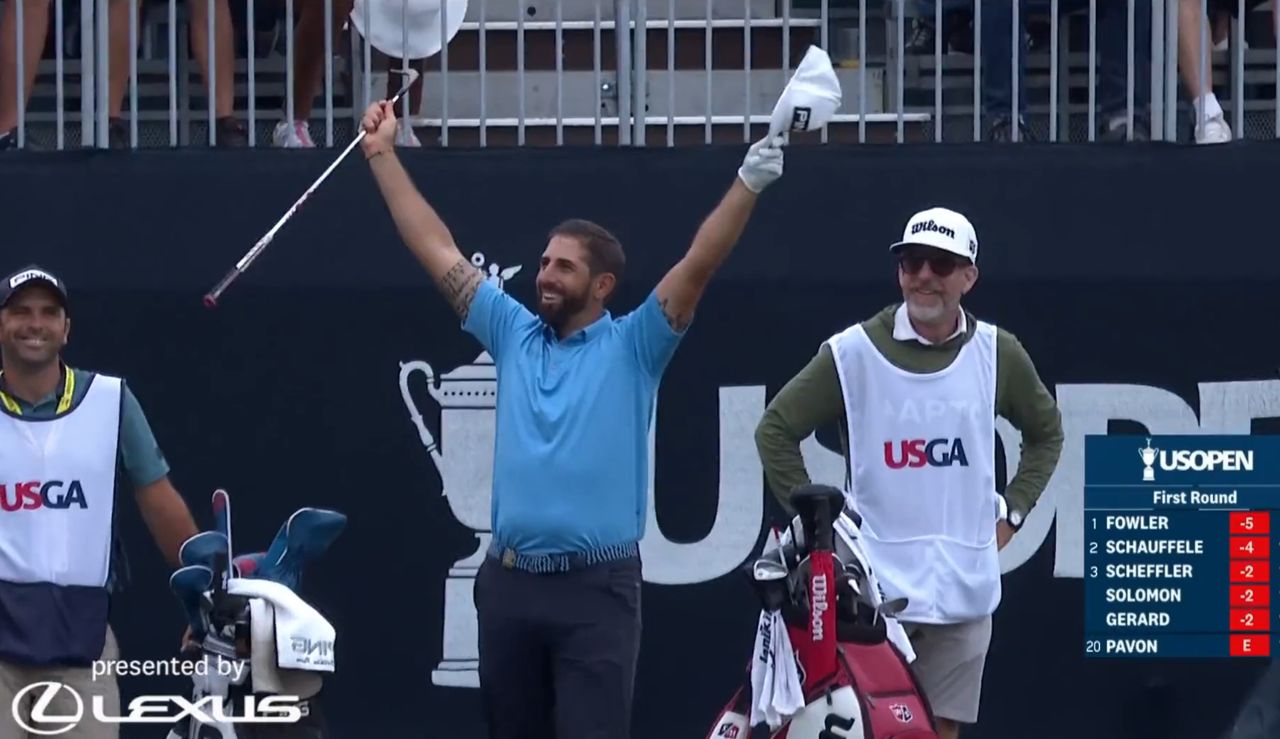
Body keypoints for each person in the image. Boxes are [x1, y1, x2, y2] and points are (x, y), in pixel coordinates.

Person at [358, 99, 784, 738]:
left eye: (564, 266)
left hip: (597, 593)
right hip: (508, 589)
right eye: (543, 263)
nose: (544, 276)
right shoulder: (511, 331)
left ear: (604, 285)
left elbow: (699, 263)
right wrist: (381, 154)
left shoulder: (637, 344)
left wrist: (747, 181)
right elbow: (433, 245)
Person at [753, 207, 1064, 739]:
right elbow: (775, 430)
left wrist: (1012, 514)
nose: (923, 275)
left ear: (969, 277)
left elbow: (1047, 433)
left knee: (938, 732)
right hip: (872, 594)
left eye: (941, 264)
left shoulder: (997, 352)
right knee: (861, 730)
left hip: (962, 591)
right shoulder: (853, 351)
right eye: (911, 261)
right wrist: (820, 533)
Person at [0, 265, 200, 739]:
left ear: (65, 329)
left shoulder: (109, 400)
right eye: (21, 312)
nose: (35, 324)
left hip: (81, 645)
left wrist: (203, 598)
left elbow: (159, 502)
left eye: (49, 313)